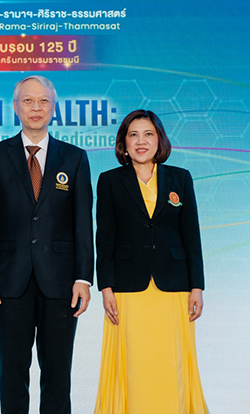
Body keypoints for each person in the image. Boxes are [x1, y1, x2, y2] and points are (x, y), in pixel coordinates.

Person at [0, 75, 94, 414]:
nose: (36, 108)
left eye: (43, 101)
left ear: (53, 108)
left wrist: (83, 278)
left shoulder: (74, 158)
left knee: (57, 376)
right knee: (12, 375)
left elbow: (83, 222)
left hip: (61, 282)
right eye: (28, 101)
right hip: (8, 282)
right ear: (16, 107)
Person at [94, 109, 209, 414]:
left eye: (148, 134)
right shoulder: (109, 181)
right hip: (127, 288)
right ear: (124, 143)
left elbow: (191, 235)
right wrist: (105, 287)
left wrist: (197, 286)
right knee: (134, 364)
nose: (141, 141)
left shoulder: (180, 178)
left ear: (160, 140)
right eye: (133, 135)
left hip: (174, 288)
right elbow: (104, 239)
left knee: (171, 364)